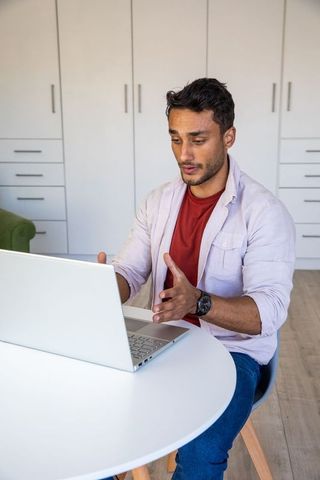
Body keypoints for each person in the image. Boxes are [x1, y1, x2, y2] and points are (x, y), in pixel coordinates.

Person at [99, 78, 295, 480]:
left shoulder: (264, 213)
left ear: (229, 136)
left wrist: (198, 302)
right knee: (92, 427)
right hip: (163, 338)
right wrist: (101, 286)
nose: (183, 154)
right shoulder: (158, 201)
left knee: (202, 452)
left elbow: (268, 313)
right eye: (175, 139)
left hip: (232, 353)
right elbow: (130, 270)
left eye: (197, 139)